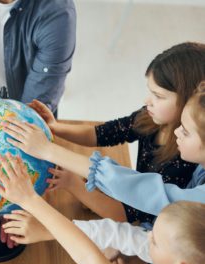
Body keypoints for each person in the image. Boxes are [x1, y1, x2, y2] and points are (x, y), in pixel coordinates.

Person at [23, 42, 205, 224]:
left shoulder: (187, 158)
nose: (148, 100)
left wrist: (72, 181)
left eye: (159, 96)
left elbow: (132, 212)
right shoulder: (150, 118)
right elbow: (103, 133)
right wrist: (56, 127)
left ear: (191, 101)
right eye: (150, 92)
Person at [0, 153, 205, 264]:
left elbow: (90, 258)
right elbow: (120, 235)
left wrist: (29, 200)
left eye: (154, 241)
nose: (147, 236)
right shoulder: (184, 255)